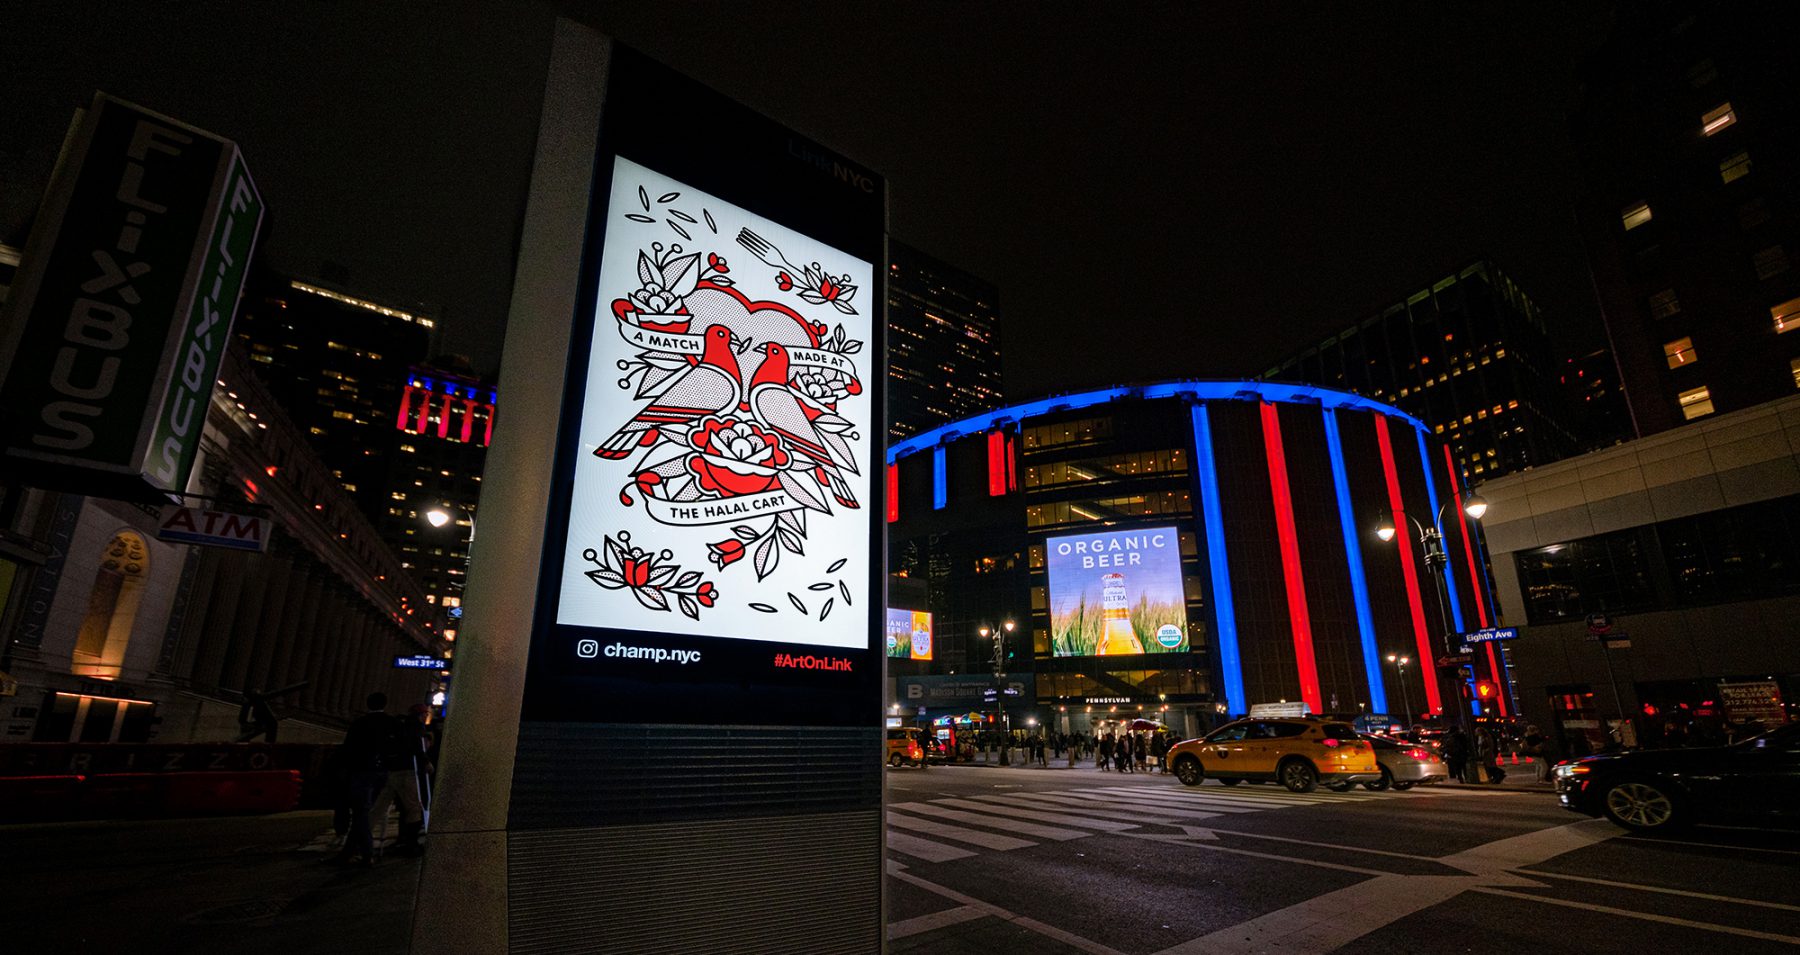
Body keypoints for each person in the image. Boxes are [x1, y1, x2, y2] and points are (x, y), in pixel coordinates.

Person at [328, 692, 401, 866]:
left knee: (360, 813)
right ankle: (352, 852)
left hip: (362, 771)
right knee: (363, 813)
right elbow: (397, 746)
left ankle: (364, 853)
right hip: (382, 771)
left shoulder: (360, 724)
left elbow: (348, 749)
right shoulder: (392, 723)